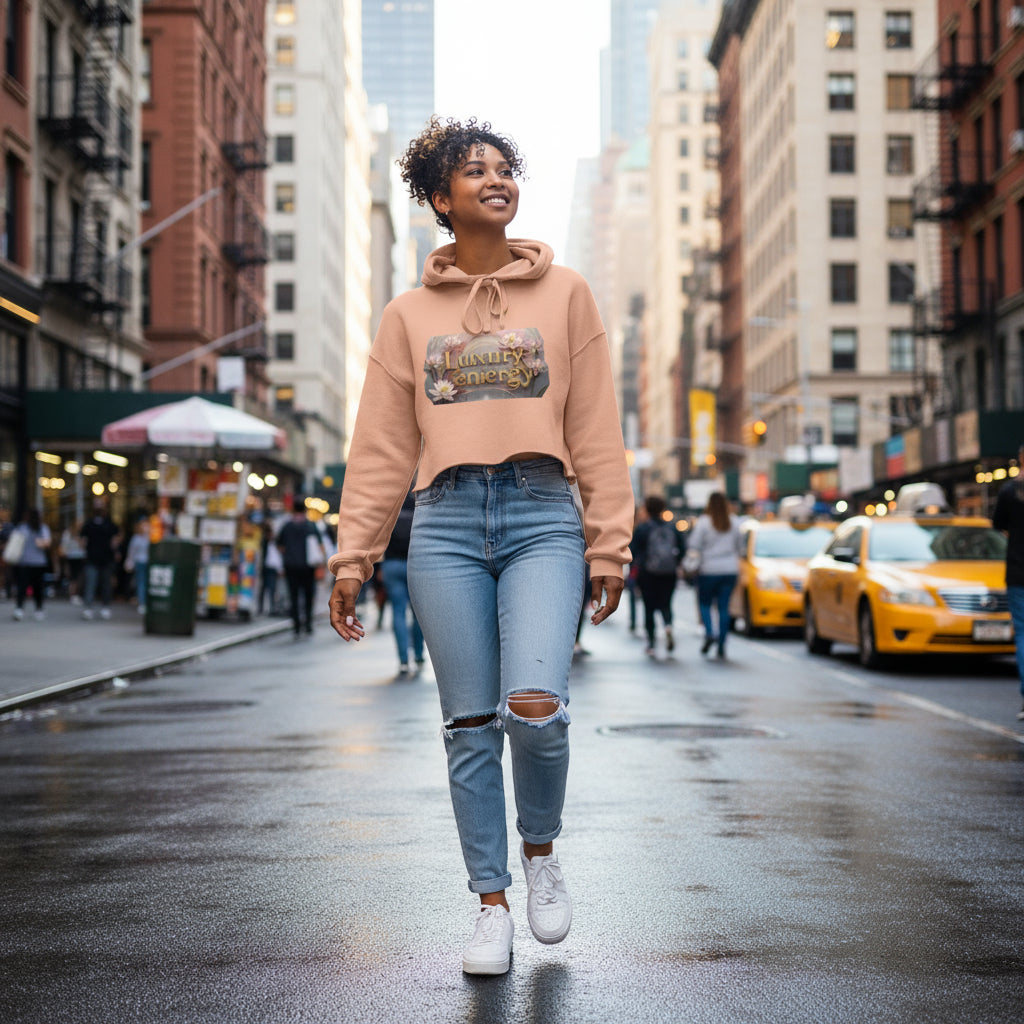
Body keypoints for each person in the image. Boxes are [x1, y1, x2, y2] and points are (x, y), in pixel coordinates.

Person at [327, 117, 634, 976]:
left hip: (542, 512)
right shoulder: (407, 315)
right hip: (447, 522)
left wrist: (609, 541)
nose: (496, 179)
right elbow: (383, 448)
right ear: (440, 199)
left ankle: (540, 853)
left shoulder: (567, 293)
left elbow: (596, 427)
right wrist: (353, 558)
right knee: (467, 726)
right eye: (475, 171)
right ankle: (490, 904)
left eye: (505, 168)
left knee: (534, 705)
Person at [687, 491, 743, 659]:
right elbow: (740, 547)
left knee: (704, 604)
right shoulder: (734, 522)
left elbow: (694, 545)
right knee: (724, 608)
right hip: (729, 570)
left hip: (708, 569)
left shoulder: (704, 523)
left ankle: (710, 632)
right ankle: (722, 643)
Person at [992, 445, 1024, 720]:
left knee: (1023, 634)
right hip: (1016, 573)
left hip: (1017, 571)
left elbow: (998, 524)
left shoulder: (1009, 492)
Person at [630, 495, 684, 657]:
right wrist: (676, 563)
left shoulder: (643, 528)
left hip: (647, 572)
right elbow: (683, 549)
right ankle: (668, 626)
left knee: (649, 607)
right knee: (666, 603)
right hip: (669, 572)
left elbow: (633, 552)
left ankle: (651, 644)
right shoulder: (673, 528)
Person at [379, 491, 425, 676]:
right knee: (418, 614)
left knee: (398, 612)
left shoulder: (390, 516)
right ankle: (419, 655)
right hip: (416, 565)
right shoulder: (418, 515)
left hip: (391, 565)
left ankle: (403, 659)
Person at [276, 496, 322, 637]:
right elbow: (319, 545)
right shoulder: (311, 525)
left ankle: (296, 626)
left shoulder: (287, 526)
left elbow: (280, 545)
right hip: (308, 567)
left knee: (294, 596)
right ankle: (308, 623)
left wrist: (288, 555)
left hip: (291, 566)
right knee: (308, 596)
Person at [9, 508, 52, 621]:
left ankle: (35, 609)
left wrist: (40, 543)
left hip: (35, 563)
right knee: (24, 587)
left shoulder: (41, 528)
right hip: (26, 562)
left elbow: (47, 543)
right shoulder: (24, 527)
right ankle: (24, 609)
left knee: (35, 588)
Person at [80, 500, 120, 620]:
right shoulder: (89, 523)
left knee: (106, 584)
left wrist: (115, 550)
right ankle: (88, 608)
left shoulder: (109, 523)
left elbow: (117, 537)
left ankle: (105, 607)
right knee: (91, 583)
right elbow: (82, 538)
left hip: (106, 559)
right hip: (92, 558)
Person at [124, 518, 150, 614]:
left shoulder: (151, 536)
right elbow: (131, 552)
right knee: (141, 583)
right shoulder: (136, 538)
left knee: (147, 583)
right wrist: (129, 562)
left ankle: (147, 602)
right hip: (139, 562)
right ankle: (142, 603)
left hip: (149, 562)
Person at [259, 519, 283, 616]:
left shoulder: (274, 542)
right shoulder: (264, 543)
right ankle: (262, 607)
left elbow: (277, 556)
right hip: (265, 567)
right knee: (264, 588)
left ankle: (271, 607)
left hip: (272, 568)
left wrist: (280, 568)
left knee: (271, 588)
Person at [59, 520, 87, 604]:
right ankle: (73, 595)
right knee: (73, 577)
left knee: (79, 577)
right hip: (72, 557)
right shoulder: (68, 533)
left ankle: (77, 595)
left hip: (81, 557)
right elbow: (64, 546)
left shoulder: (83, 534)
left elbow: (85, 546)